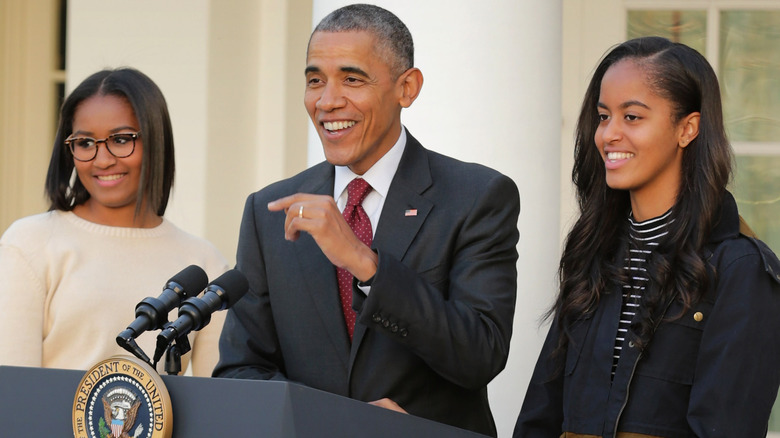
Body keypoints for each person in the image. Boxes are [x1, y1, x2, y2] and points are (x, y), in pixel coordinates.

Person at [213, 4, 520, 436]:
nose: (327, 100)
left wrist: (366, 265)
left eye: (352, 79)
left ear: (407, 88)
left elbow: (480, 355)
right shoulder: (270, 211)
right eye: (314, 80)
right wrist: (334, 422)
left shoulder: (476, 197)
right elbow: (240, 372)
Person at [514, 36, 780, 437]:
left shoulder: (741, 270)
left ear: (687, 128)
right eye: (604, 116)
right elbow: (541, 415)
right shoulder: (593, 253)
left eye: (632, 117)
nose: (608, 135)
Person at [0, 68, 229, 376]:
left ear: (156, 141)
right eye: (84, 143)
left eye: (121, 140)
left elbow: (220, 401)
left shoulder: (203, 264)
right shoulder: (29, 244)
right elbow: (13, 393)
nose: (102, 159)